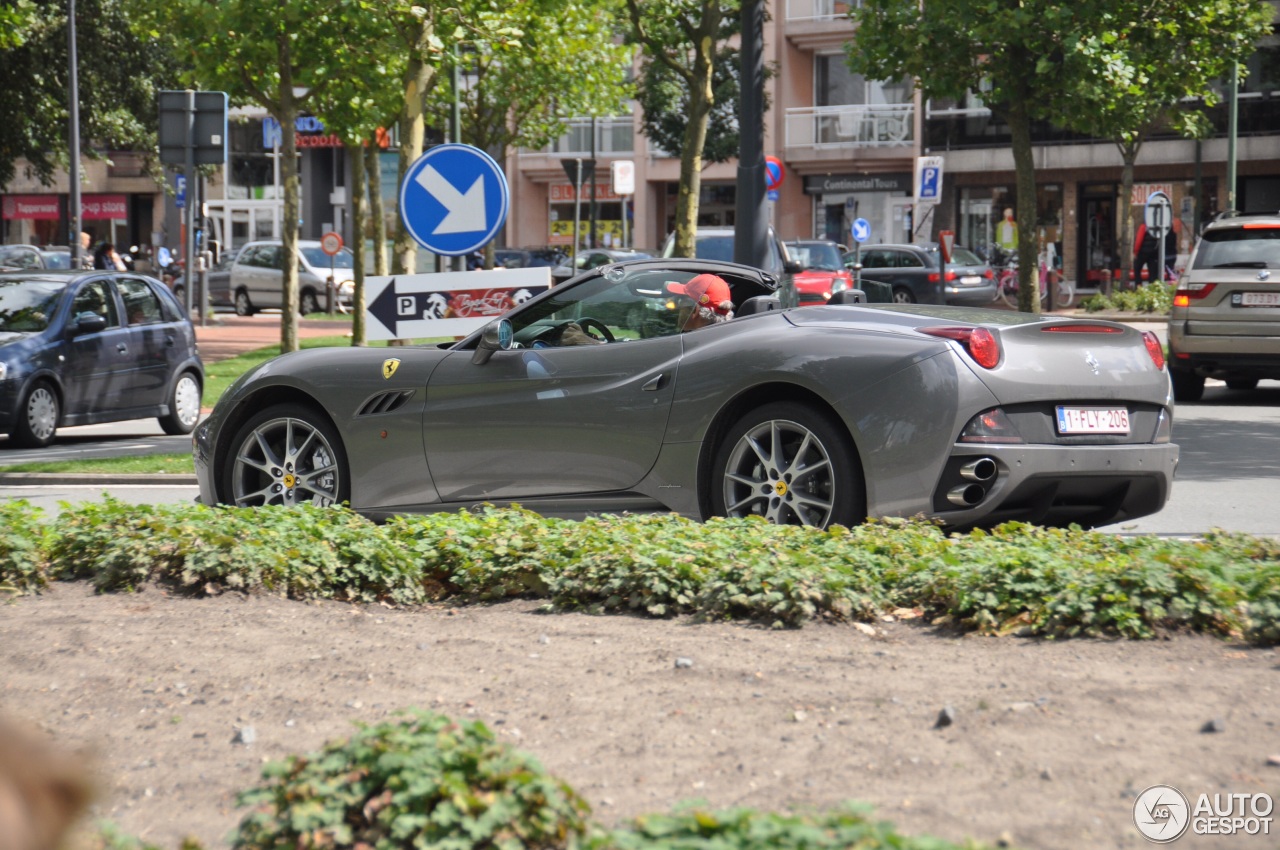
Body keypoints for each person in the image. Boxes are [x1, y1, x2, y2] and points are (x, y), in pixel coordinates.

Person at [665, 273, 735, 331]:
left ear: (695, 310)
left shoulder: (693, 345)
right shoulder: (727, 341)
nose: (678, 306)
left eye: (682, 300)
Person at [1134, 221, 1177, 285]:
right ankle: (1153, 288)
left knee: (1137, 269)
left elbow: (1139, 240)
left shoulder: (1144, 226)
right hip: (1154, 254)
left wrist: (1136, 252)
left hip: (1142, 253)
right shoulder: (1159, 228)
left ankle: (1139, 286)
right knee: (1153, 274)